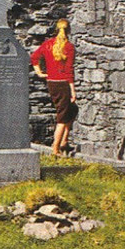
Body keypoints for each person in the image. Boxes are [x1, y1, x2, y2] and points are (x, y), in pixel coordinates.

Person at [30, 19, 77, 156]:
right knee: (62, 117)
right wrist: (73, 90)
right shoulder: (69, 47)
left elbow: (34, 57)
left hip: (51, 82)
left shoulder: (48, 44)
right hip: (63, 84)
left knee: (73, 110)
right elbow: (69, 71)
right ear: (69, 30)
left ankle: (64, 141)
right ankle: (55, 148)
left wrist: (39, 72)